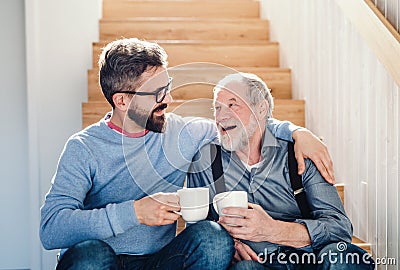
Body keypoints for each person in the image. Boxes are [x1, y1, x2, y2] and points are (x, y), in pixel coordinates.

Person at [40, 38, 335, 270]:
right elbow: (51, 229)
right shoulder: (84, 147)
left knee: (214, 239)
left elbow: (245, 121)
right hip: (101, 260)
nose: (169, 99)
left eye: (167, 87)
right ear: (122, 101)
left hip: (161, 261)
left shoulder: (183, 133)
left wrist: (298, 132)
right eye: (157, 93)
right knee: (91, 254)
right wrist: (134, 213)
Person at [188, 73, 374, 269]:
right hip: (257, 263)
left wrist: (272, 230)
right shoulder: (206, 161)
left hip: (311, 258)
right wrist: (231, 245)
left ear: (261, 108)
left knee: (342, 257)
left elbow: (339, 229)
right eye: (217, 107)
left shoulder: (300, 154)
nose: (221, 116)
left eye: (233, 105)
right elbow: (201, 234)